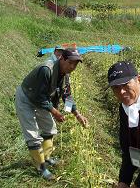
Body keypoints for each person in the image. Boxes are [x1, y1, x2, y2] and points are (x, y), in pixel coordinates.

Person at [15, 48, 88, 180]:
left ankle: (47, 157)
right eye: (70, 63)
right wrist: (55, 112)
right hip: (26, 98)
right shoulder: (46, 70)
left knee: (50, 128)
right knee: (33, 135)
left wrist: (77, 114)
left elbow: (67, 97)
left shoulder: (65, 75)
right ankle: (41, 168)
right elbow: (39, 97)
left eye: (75, 65)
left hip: (42, 100)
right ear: (62, 59)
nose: (72, 67)